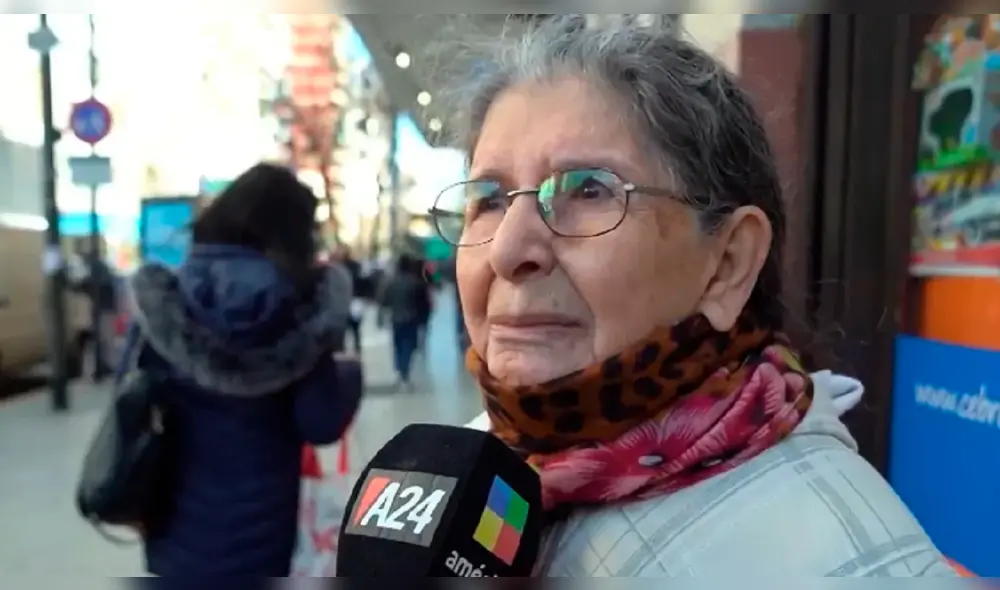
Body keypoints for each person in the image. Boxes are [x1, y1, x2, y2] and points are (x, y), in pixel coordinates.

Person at [433, 15, 955, 577]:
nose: (509, 249)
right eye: (488, 198)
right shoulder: (468, 473)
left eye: (589, 189)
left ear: (728, 264)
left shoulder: (852, 568)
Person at [123, 163, 361, 579]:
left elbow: (128, 401)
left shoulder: (166, 299)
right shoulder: (301, 309)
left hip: (171, 530)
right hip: (263, 535)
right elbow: (320, 421)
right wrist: (350, 375)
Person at [377, 254, 431, 390]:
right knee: (409, 346)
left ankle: (400, 371)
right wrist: (424, 320)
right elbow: (424, 304)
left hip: (396, 319)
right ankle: (404, 372)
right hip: (412, 319)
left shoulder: (391, 282)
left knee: (398, 345)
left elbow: (384, 301)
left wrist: (380, 318)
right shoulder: (416, 282)